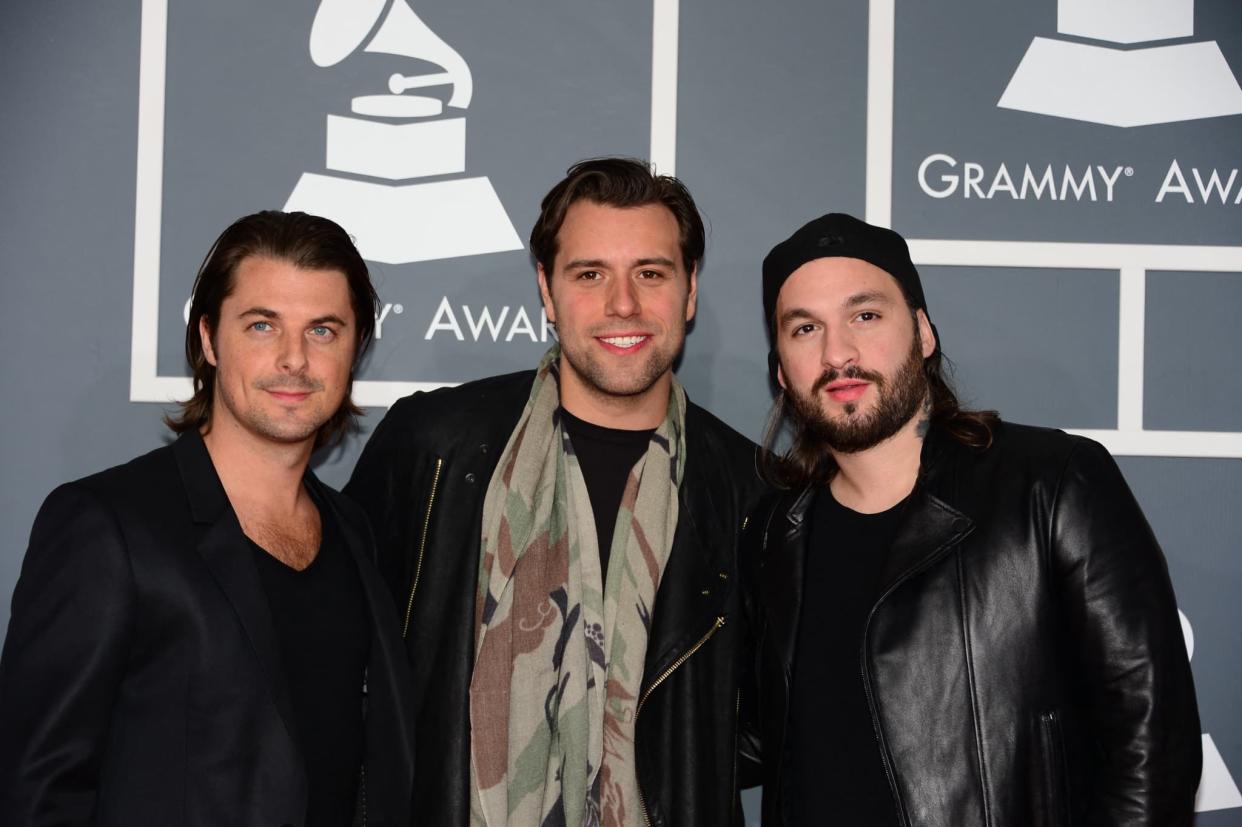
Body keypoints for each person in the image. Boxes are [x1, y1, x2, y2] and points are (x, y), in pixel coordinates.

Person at [743, 212, 1201, 825]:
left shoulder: (1051, 484)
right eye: (804, 329)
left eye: (865, 315)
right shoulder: (773, 534)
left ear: (924, 333)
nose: (837, 352)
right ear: (781, 368)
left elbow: (1153, 749)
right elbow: (749, 739)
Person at [346, 157, 763, 826]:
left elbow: (762, 724)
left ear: (688, 292)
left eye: (650, 274)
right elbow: (347, 664)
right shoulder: (435, 448)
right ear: (546, 289)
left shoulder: (751, 490)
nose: (622, 304)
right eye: (589, 274)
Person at [0, 211, 415, 826]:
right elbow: (35, 790)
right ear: (209, 339)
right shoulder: (106, 526)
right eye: (262, 325)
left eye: (323, 330)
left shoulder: (354, 531)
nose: (294, 359)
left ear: (355, 347)